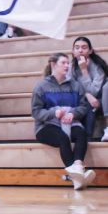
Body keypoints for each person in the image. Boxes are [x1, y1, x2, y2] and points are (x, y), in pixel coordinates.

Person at [33, 53, 96, 190]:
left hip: (71, 123)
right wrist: (53, 113)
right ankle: (77, 175)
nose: (67, 66)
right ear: (53, 65)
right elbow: (36, 112)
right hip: (47, 126)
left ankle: (78, 167)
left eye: (68, 63)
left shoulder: (76, 85)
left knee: (81, 133)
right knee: (63, 138)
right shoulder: (41, 86)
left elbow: (84, 107)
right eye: (63, 63)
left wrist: (73, 114)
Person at [69, 36, 108, 141]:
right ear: (73, 51)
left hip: (101, 99)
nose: (80, 50)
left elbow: (94, 91)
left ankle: (87, 138)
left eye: (84, 47)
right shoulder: (70, 67)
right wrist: (86, 95)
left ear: (90, 51)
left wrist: (84, 71)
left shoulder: (98, 67)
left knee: (89, 105)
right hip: (83, 98)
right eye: (77, 48)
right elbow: (70, 88)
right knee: (85, 103)